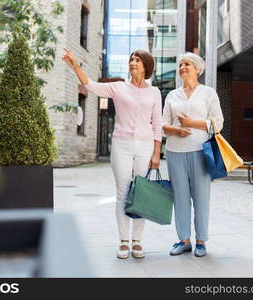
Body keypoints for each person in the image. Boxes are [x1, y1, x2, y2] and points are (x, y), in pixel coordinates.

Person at [62, 48, 162, 259]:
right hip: (122, 145)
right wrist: (75, 64)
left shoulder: (154, 93)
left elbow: (158, 124)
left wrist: (156, 153)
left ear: (146, 66)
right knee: (123, 193)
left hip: (145, 146)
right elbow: (90, 85)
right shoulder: (118, 87)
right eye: (131, 59)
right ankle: (124, 241)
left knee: (141, 193)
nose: (133, 62)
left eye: (138, 60)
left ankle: (137, 241)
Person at [162, 52, 224, 257]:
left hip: (200, 151)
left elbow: (218, 123)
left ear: (197, 69)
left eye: (187, 64)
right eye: (180, 64)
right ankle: (183, 240)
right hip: (174, 152)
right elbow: (163, 126)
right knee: (180, 198)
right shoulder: (172, 95)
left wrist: (191, 124)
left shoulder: (208, 93)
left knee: (201, 198)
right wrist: (178, 130)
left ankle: (201, 241)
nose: (182, 67)